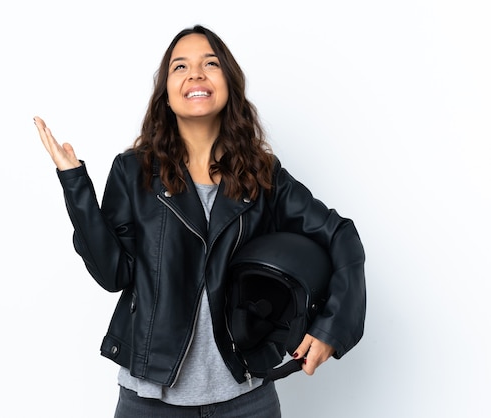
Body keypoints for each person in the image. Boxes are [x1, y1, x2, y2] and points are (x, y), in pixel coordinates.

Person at [34, 24, 366, 418]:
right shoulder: (133, 172)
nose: (195, 74)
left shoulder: (263, 175)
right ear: (167, 96)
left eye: (210, 63)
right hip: (149, 404)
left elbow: (340, 234)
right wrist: (76, 185)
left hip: (247, 400)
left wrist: (331, 328)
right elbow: (113, 274)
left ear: (228, 83)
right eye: (180, 67)